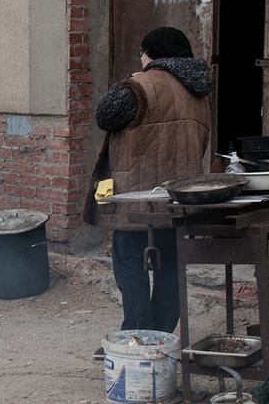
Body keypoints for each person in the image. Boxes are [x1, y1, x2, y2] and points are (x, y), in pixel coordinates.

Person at [88, 26, 212, 347]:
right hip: (179, 199)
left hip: (136, 199)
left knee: (131, 267)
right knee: (171, 268)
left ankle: (136, 338)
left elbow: (104, 115)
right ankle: (159, 337)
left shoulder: (139, 87)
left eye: (142, 52)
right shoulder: (199, 92)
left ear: (151, 54)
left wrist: (126, 82)